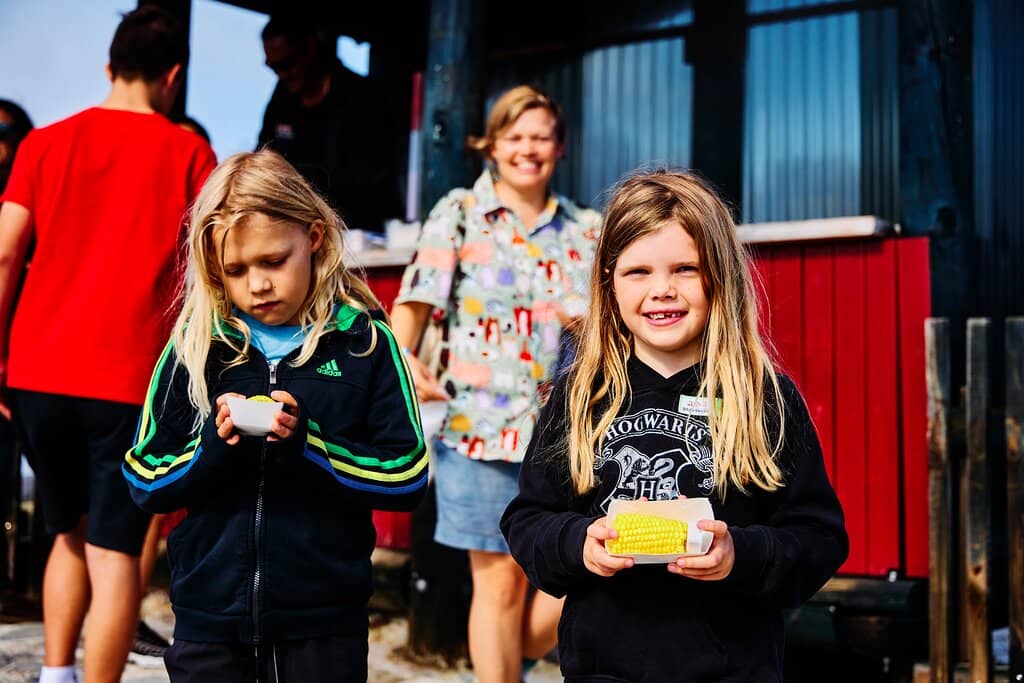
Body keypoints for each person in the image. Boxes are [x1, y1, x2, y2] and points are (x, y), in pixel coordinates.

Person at [500, 170, 849, 682]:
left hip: (732, 670)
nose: (661, 290)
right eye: (638, 272)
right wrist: (579, 543)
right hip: (603, 669)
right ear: (608, 284)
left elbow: (818, 536)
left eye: (686, 269)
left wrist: (741, 555)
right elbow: (528, 518)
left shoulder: (764, 398)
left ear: (720, 277)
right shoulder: (578, 397)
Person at [122, 150, 428, 682]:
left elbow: (407, 475)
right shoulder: (197, 347)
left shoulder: (365, 343)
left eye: (273, 261)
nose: (257, 285)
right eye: (235, 270)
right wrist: (211, 450)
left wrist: (310, 444)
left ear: (313, 238)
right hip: (209, 619)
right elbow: (143, 475)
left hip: (325, 621)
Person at [0, 8, 217, 683]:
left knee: (64, 534)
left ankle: (55, 673)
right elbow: (212, 265)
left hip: (37, 370)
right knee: (116, 551)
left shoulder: (45, 142)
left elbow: (6, 251)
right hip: (131, 380)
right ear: (173, 76)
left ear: (108, 67)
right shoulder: (188, 152)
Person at [390, 85, 601, 683]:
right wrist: (403, 358)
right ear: (491, 144)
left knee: (576, 571)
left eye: (540, 137)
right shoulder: (458, 211)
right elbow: (417, 299)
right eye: (515, 136)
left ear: (559, 148)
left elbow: (612, 324)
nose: (527, 149)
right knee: (500, 584)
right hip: (477, 429)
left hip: (569, 437)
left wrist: (584, 324)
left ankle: (510, 665)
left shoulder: (587, 229)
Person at [131, 113, 216, 667]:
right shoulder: (187, 166)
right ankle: (125, 616)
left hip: (81, 356)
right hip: (159, 349)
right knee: (136, 513)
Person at [258, 14, 402, 232]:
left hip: (359, 231)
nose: (282, 75)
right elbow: (266, 158)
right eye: (274, 67)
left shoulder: (362, 97)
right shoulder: (281, 101)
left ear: (310, 48)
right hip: (301, 229)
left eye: (287, 65)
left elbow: (371, 177)